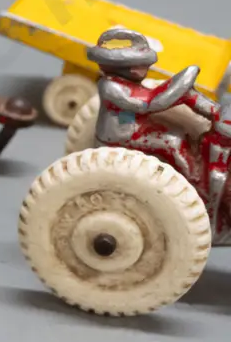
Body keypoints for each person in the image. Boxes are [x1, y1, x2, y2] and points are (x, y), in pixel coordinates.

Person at [88, 27, 229, 224]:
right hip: (120, 136)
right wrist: (177, 89)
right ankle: (193, 183)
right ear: (124, 67)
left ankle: (214, 113)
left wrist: (193, 98)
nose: (145, 69)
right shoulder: (111, 86)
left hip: (136, 128)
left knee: (183, 129)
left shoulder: (128, 83)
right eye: (141, 65)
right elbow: (147, 104)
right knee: (172, 141)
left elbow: (153, 97)